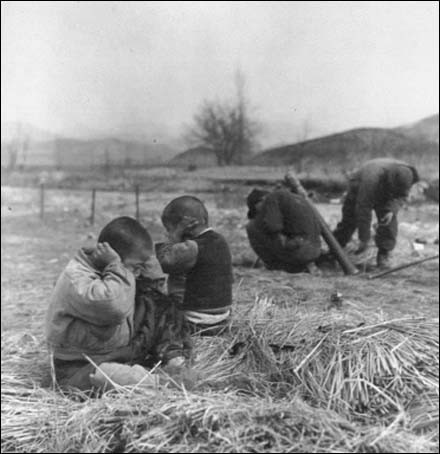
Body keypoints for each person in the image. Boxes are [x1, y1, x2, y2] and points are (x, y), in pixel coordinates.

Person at [45, 216, 192, 392]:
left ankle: (172, 355)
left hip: (114, 352)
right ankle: (161, 383)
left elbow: (154, 288)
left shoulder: (114, 271)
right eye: (135, 267)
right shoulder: (77, 279)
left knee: (158, 303)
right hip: (79, 365)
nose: (137, 273)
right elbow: (114, 307)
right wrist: (116, 266)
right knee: (106, 377)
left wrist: (149, 272)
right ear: (110, 257)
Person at [156, 196, 233, 335]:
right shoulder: (220, 240)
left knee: (152, 307)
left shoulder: (191, 247)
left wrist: (174, 236)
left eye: (170, 228)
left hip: (196, 321)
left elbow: (163, 262)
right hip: (222, 318)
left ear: (188, 225)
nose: (168, 233)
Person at [332, 158, 419, 268]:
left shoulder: (408, 175)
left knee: (388, 220)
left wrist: (392, 210)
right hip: (359, 185)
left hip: (386, 189)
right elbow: (363, 208)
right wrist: (364, 238)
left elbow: (402, 196)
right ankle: (334, 250)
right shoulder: (371, 179)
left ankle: (384, 254)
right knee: (350, 220)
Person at [245, 188, 322, 273]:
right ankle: (300, 265)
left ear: (261, 200)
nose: (258, 214)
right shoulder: (296, 198)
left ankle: (274, 265)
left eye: (255, 210)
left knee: (251, 227)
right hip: (316, 250)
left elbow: (273, 227)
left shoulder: (271, 199)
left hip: (301, 252)